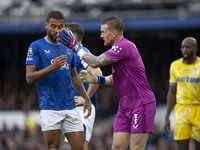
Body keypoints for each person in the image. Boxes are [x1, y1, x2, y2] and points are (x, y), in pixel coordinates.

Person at [57, 16, 156, 150]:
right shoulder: (119, 51)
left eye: (103, 32)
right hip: (124, 107)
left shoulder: (123, 46)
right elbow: (117, 79)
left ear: (113, 33)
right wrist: (98, 80)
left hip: (141, 104)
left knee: (136, 147)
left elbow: (95, 61)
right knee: (117, 147)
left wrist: (74, 45)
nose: (101, 35)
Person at [25, 10, 91, 150]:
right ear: (46, 26)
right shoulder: (36, 46)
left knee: (79, 147)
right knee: (53, 146)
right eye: (53, 26)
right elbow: (29, 78)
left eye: (60, 26)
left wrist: (86, 98)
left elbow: (74, 76)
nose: (57, 30)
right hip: (50, 107)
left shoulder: (68, 47)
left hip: (70, 106)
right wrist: (52, 67)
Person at [64, 23, 102, 150]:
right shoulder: (69, 54)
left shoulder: (82, 52)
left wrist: (86, 98)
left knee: (80, 145)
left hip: (83, 108)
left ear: (73, 36)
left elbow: (97, 73)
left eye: (65, 33)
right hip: (73, 107)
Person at [164, 37, 200, 150]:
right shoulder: (175, 65)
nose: (184, 49)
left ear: (195, 49)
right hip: (181, 109)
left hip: (198, 108)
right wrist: (167, 116)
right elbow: (172, 91)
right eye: (183, 47)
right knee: (181, 146)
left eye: (188, 47)